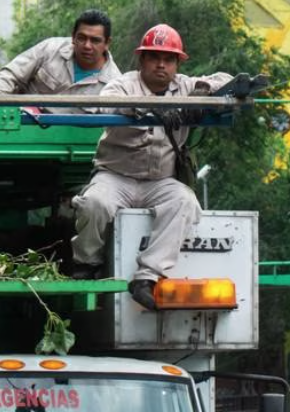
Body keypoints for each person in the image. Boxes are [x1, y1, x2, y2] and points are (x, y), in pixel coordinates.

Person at [70, 24, 235, 311]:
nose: (161, 64)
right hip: (116, 177)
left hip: (158, 181)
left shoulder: (184, 86)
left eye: (168, 59)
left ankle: (146, 277)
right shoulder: (123, 84)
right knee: (93, 203)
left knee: (185, 200)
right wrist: (153, 110)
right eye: (154, 57)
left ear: (177, 63)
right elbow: (108, 104)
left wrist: (201, 97)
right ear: (142, 60)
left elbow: (228, 80)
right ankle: (87, 263)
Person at [0, 9, 121, 114]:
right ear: (73, 37)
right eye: (82, 38)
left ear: (107, 43)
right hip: (16, 119)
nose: (87, 45)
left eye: (95, 40)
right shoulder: (51, 49)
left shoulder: (114, 84)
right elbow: (12, 74)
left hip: (62, 141)